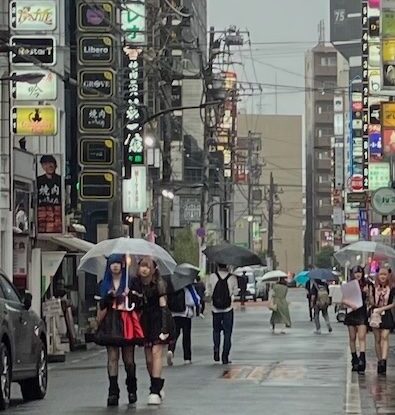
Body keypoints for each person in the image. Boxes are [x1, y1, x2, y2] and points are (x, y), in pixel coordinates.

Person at [97, 254, 141, 407]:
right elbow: (101, 306)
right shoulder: (104, 283)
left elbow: (138, 302)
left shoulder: (131, 281)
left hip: (126, 320)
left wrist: (131, 295)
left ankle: (132, 388)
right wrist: (107, 299)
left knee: (128, 359)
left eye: (117, 263)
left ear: (122, 265)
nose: (115, 266)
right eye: (112, 263)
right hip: (110, 321)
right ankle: (113, 391)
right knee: (112, 357)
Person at [134, 256, 174, 405]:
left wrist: (164, 328)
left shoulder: (159, 283)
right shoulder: (135, 284)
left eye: (147, 266)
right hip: (144, 322)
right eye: (142, 266)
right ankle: (157, 383)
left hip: (158, 320)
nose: (144, 269)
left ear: (153, 269)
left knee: (157, 353)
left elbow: (164, 307)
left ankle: (154, 391)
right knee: (148, 359)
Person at [342, 266, 373, 373]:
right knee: (352, 337)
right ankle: (354, 358)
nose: (358, 274)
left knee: (362, 337)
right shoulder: (349, 285)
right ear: (352, 274)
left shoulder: (367, 285)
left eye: (360, 272)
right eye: (356, 272)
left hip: (362, 313)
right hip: (351, 313)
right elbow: (343, 300)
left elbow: (371, 302)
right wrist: (350, 304)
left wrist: (368, 293)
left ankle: (362, 359)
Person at [206, 263, 238, 365]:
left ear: (218, 265)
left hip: (215, 309)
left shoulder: (212, 276)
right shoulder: (232, 277)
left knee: (216, 331)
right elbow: (235, 292)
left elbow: (208, 292)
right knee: (227, 334)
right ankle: (225, 356)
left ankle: (216, 348)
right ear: (227, 266)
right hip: (228, 309)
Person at [167, 284, 201, 365]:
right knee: (186, 336)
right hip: (186, 314)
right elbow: (195, 300)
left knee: (174, 334)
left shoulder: (171, 286)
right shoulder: (188, 286)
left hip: (174, 314)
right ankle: (187, 358)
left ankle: (170, 350)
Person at [371, 267, 395, 375]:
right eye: (381, 275)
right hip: (376, 314)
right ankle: (379, 360)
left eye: (385, 275)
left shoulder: (392, 288)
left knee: (385, 337)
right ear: (378, 276)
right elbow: (371, 302)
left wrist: (383, 309)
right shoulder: (373, 287)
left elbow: (393, 303)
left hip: (386, 314)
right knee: (377, 339)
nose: (383, 277)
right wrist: (370, 296)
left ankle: (384, 361)